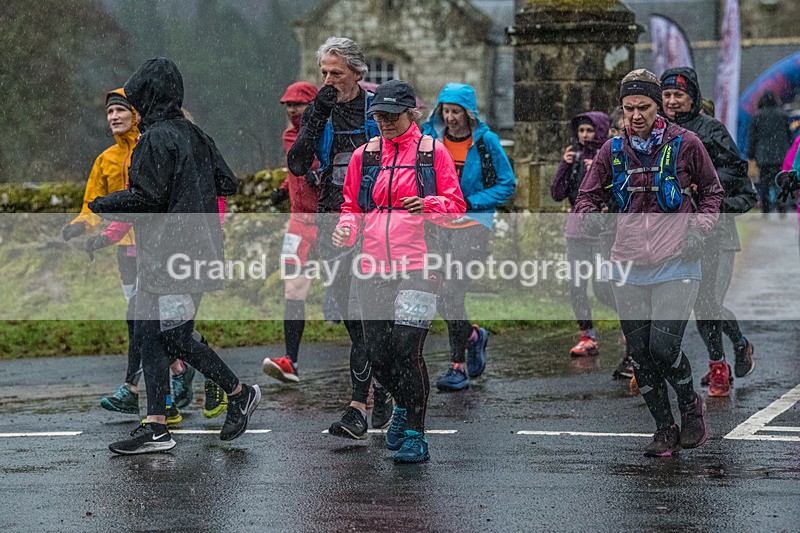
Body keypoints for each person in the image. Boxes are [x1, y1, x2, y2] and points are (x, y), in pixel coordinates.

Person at [90, 57, 260, 455]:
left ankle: (239, 392)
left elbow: (146, 198)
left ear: (147, 97)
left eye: (134, 99)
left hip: (173, 253)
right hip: (191, 248)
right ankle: (156, 426)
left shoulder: (154, 139)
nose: (132, 107)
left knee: (175, 335)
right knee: (151, 334)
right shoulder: (195, 134)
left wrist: (103, 203)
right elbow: (228, 182)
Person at [575, 69, 723, 457]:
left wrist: (699, 231)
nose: (635, 115)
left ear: (659, 106)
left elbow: (712, 191)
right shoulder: (612, 150)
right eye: (628, 108)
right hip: (628, 265)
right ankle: (664, 429)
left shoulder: (686, 143)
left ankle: (691, 405)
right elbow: (585, 199)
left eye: (643, 107)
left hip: (677, 260)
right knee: (639, 353)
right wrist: (597, 222)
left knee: (662, 347)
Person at [333, 79, 465, 462]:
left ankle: (415, 434)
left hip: (421, 263)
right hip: (373, 264)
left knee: (407, 349)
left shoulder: (431, 153)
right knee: (376, 353)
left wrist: (427, 204)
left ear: (412, 113)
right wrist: (346, 227)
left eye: (392, 116)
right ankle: (405, 403)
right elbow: (352, 206)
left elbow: (456, 207)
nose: (385, 123)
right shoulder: (365, 155)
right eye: (379, 117)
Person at [287, 37, 392, 438]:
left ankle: (357, 405)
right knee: (352, 318)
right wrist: (316, 116)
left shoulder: (376, 107)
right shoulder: (321, 109)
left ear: (357, 73)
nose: (329, 80)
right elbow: (298, 164)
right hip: (335, 220)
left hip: (377, 221)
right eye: (324, 73)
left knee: (367, 309)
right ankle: (378, 389)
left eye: (337, 73)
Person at [661, 67, 757, 397]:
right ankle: (648, 362)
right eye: (667, 95)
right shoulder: (658, 132)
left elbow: (744, 190)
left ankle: (729, 354)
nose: (672, 102)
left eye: (679, 95)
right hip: (672, 235)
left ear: (694, 97)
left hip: (715, 233)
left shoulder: (711, 131)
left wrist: (709, 203)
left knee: (708, 303)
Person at [420, 82, 516, 391]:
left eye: (456, 112)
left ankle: (457, 366)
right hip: (439, 222)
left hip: (474, 223)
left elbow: (507, 184)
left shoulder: (486, 142)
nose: (450, 118)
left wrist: (471, 202)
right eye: (446, 111)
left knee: (452, 291)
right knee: (436, 291)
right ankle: (473, 336)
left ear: (468, 113)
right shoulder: (430, 139)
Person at [262, 82, 321, 383]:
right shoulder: (288, 136)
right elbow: (294, 172)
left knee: (349, 298)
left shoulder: (326, 134)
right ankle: (291, 362)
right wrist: (284, 191)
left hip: (328, 224)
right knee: (293, 291)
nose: (292, 110)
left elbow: (342, 170)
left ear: (312, 105)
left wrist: (319, 176)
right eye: (287, 105)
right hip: (297, 225)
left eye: (297, 104)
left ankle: (371, 367)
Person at [550, 111, 616, 358]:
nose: (585, 136)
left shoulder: (609, 155)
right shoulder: (574, 156)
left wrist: (597, 168)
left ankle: (631, 324)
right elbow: (557, 193)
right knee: (576, 286)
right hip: (576, 230)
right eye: (581, 131)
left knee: (602, 287)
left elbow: (608, 194)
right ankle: (587, 335)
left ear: (599, 131)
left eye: (590, 130)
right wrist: (565, 165)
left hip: (599, 230)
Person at [748, 91, 792, 215]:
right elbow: (789, 135)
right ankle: (782, 204)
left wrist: (751, 154)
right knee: (780, 180)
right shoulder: (783, 115)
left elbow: (753, 137)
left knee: (764, 183)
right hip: (780, 154)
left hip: (763, 155)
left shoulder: (757, 116)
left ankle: (766, 207)